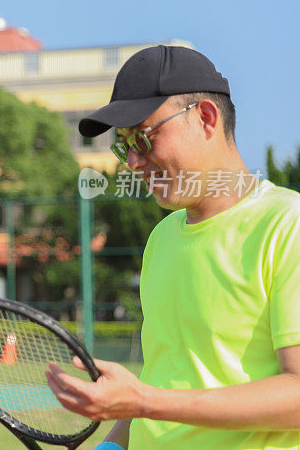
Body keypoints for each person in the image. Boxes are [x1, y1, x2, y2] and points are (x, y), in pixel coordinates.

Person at [46, 45, 300, 449]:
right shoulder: (161, 239)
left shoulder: (288, 225)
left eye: (143, 139)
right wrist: (111, 445)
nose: (132, 162)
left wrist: (145, 401)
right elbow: (164, 378)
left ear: (205, 117)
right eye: (123, 145)